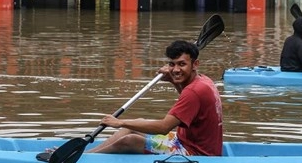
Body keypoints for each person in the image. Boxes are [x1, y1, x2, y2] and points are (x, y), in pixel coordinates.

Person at [87, 39, 223, 156]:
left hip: (195, 152)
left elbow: (164, 127)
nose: (175, 70)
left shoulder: (194, 91)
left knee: (129, 140)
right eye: (172, 64)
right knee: (134, 125)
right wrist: (172, 80)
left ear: (195, 64)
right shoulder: (203, 80)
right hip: (187, 141)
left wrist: (119, 122)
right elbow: (189, 105)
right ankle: (88, 155)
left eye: (182, 64)